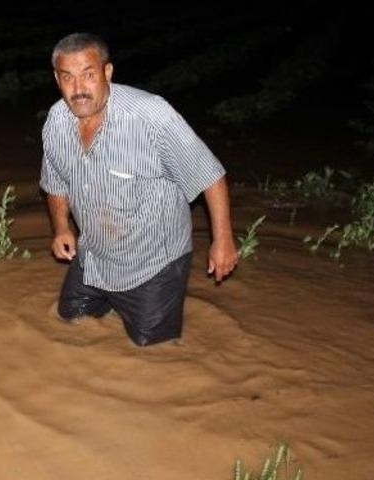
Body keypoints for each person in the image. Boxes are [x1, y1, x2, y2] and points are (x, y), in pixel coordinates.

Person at [39, 32, 238, 346]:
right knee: (69, 322)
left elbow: (209, 174)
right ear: (56, 79)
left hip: (152, 261)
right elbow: (55, 182)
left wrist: (223, 241)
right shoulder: (56, 121)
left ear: (107, 72)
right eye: (68, 78)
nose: (78, 89)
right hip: (95, 255)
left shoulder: (151, 116)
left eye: (88, 75)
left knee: (151, 352)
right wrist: (62, 228)